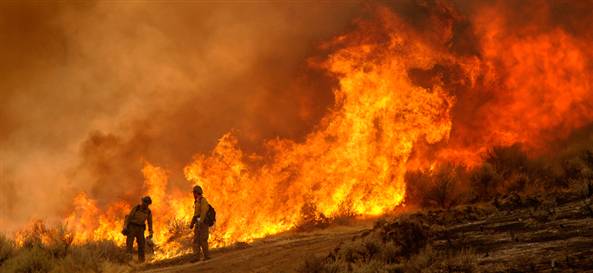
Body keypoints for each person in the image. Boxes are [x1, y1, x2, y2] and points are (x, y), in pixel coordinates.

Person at [122, 196, 153, 263]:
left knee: (142, 245)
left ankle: (141, 262)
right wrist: (125, 227)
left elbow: (149, 222)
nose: (145, 204)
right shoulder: (137, 208)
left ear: (148, 204)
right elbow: (129, 217)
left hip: (141, 229)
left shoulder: (148, 212)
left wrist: (150, 231)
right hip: (132, 227)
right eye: (144, 202)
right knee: (129, 244)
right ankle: (128, 261)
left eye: (147, 203)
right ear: (142, 201)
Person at [189, 185, 210, 261]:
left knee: (203, 240)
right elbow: (195, 214)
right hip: (198, 224)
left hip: (203, 223)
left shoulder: (203, 200)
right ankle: (196, 257)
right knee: (196, 241)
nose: (193, 195)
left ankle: (206, 256)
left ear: (196, 192)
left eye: (194, 193)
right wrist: (192, 223)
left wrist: (200, 221)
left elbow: (203, 212)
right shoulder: (197, 201)